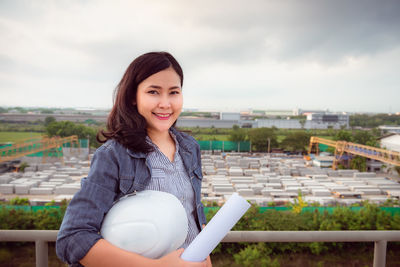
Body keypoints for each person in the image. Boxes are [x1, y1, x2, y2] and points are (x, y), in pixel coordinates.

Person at [56, 51, 212, 267]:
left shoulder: (189, 147)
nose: (165, 104)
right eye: (153, 92)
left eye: (174, 92)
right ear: (133, 97)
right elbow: (73, 237)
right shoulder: (114, 155)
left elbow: (193, 216)